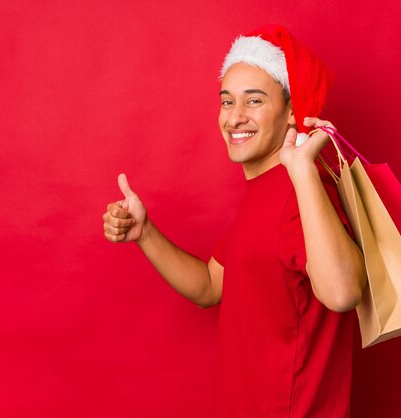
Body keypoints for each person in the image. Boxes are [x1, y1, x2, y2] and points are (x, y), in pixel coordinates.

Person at [102, 24, 366, 418]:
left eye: (254, 101)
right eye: (227, 102)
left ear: (293, 111)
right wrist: (145, 233)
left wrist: (303, 171)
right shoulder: (265, 192)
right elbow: (210, 286)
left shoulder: (300, 192)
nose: (234, 118)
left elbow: (344, 293)